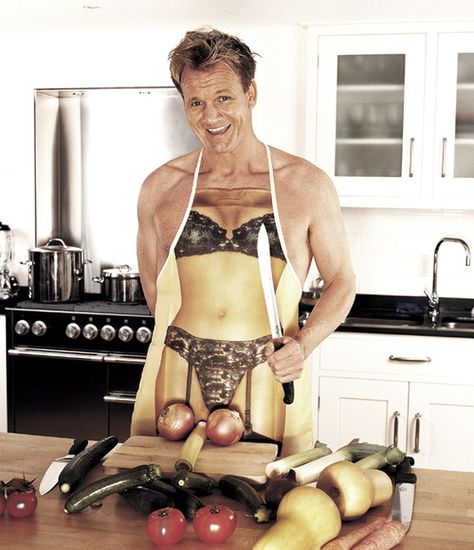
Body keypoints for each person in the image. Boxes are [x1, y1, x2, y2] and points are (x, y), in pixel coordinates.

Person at [131, 28, 355, 456]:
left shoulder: (306, 185)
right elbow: (156, 292)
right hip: (178, 369)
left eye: (224, 98)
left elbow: (343, 280)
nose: (210, 116)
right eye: (196, 102)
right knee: (163, 496)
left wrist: (303, 345)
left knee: (270, 505)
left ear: (251, 93)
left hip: (269, 373)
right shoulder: (160, 188)